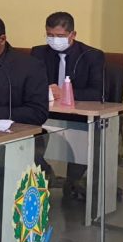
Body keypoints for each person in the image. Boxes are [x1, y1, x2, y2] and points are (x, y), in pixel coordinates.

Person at [30, 11, 105, 197]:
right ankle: (45, 172)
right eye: (50, 35)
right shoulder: (38, 53)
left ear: (73, 35)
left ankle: (73, 182)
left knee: (81, 139)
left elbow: (97, 93)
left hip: (78, 116)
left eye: (60, 36)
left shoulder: (91, 55)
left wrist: (65, 93)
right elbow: (30, 83)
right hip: (46, 112)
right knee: (25, 131)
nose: (54, 40)